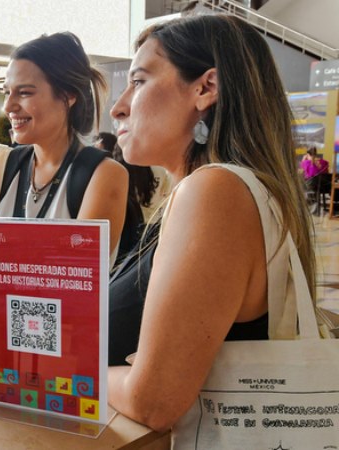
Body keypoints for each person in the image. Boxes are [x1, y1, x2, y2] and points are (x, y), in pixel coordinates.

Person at [107, 14, 317, 431]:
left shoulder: (214, 192)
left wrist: (57, 366)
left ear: (206, 88)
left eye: (140, 81)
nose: (119, 106)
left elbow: (153, 401)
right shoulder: (218, 192)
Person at [0, 31, 128, 337]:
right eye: (7, 92)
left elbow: (76, 288)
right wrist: (34, 281)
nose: (9, 106)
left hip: (55, 348)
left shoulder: (102, 174)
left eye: (24, 93)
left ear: (68, 95)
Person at [300, 146, 331, 214]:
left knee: (301, 185)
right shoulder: (324, 162)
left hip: (311, 187)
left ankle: (305, 207)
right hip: (324, 187)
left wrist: (303, 160)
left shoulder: (306, 163)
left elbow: (305, 173)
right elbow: (327, 173)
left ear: (308, 154)